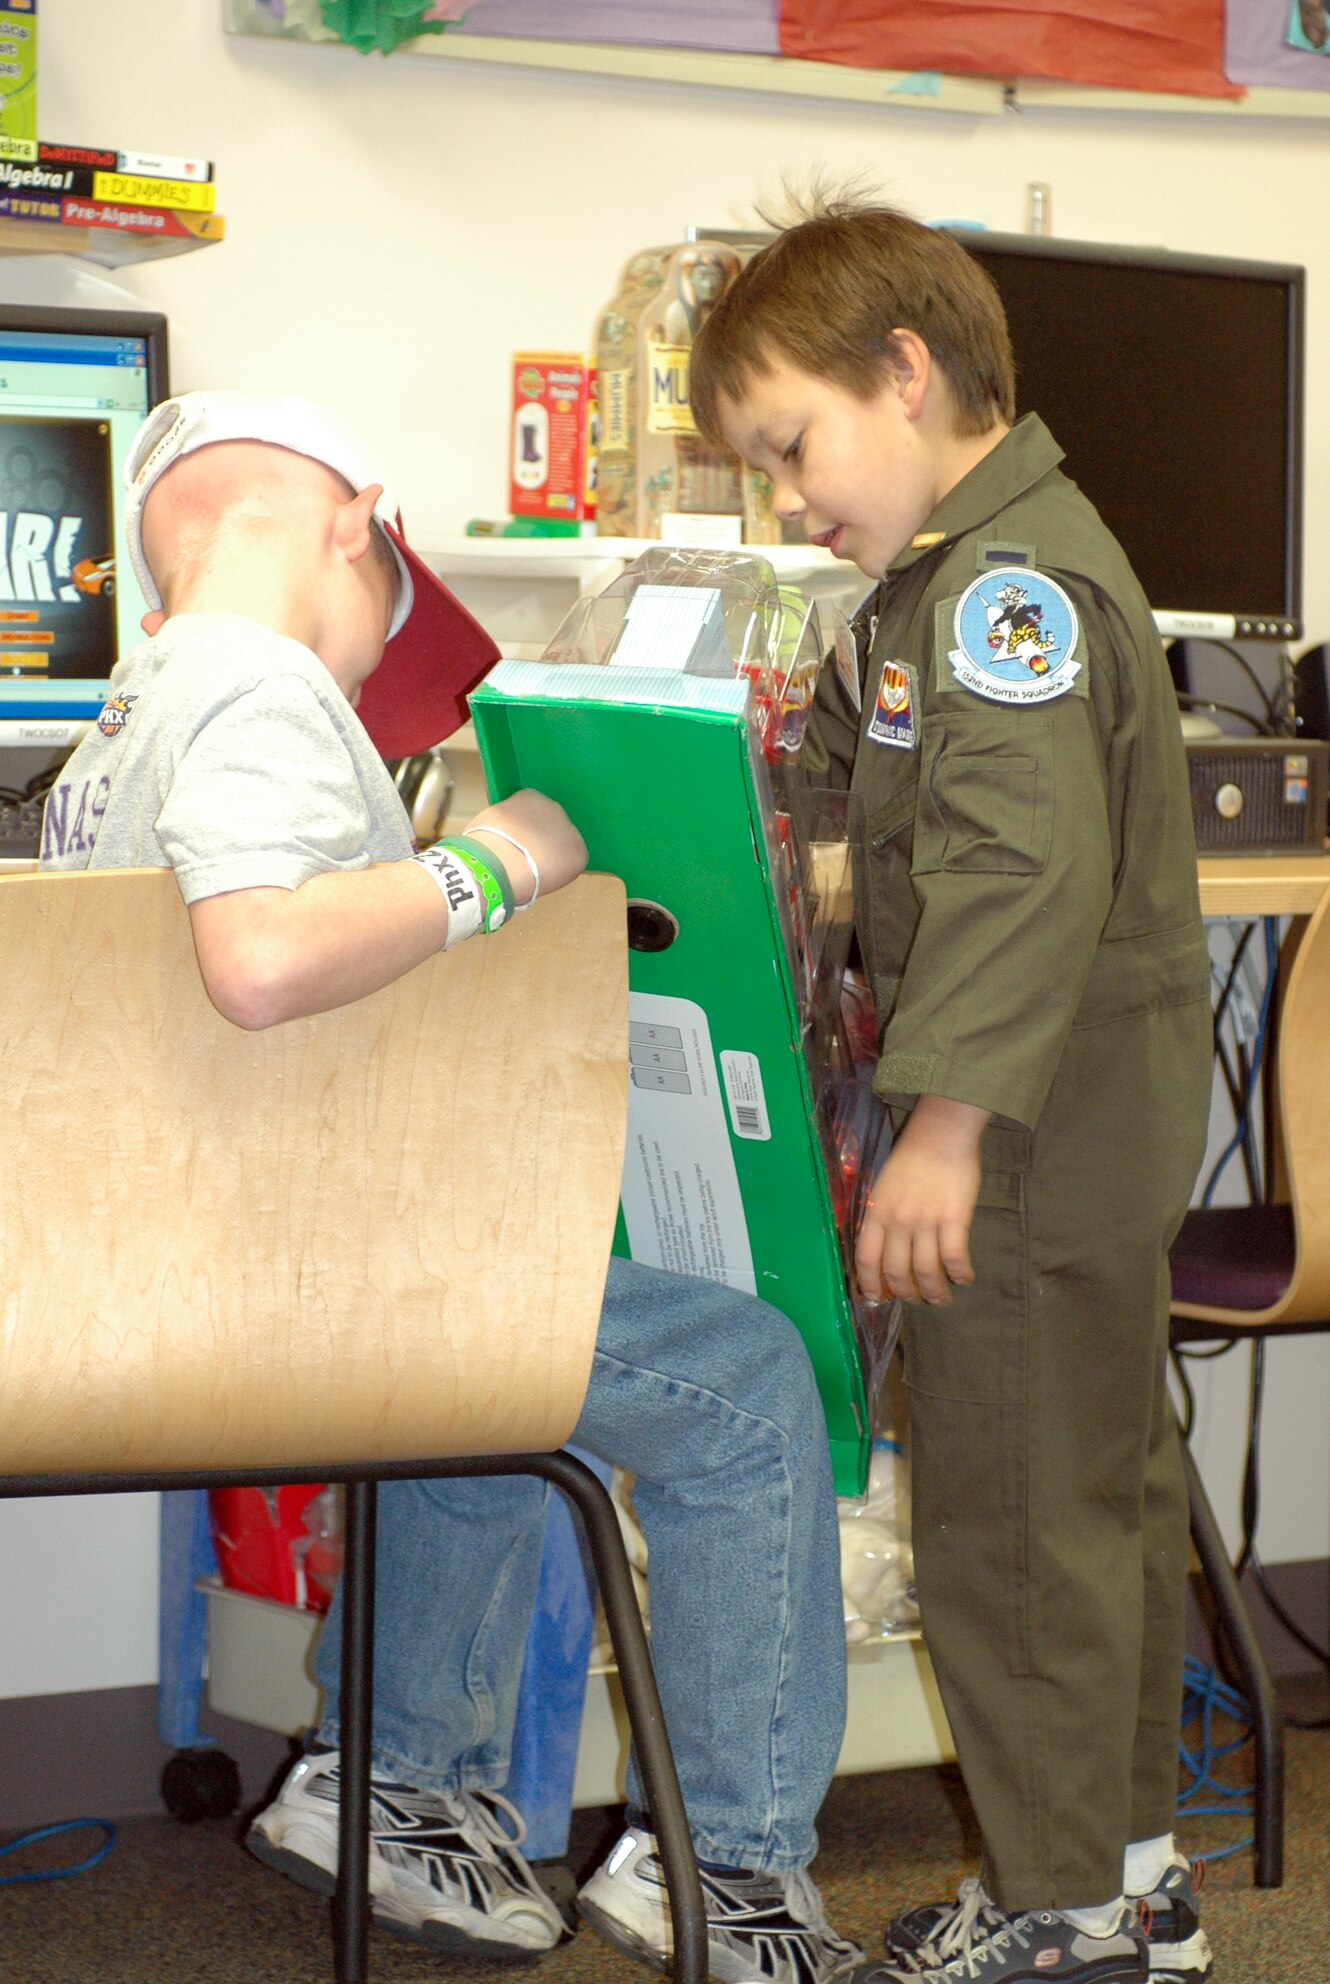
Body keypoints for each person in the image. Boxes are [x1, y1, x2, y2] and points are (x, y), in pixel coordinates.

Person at [40, 390, 861, 1984]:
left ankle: (396, 1784)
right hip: (282, 1289)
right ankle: (736, 1877)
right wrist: (503, 864)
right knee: (752, 1390)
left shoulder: (134, 708)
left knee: (494, 1330)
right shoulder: (264, 690)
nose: (359, 675)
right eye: (373, 644)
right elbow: (265, 960)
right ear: (353, 519)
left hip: (177, 1272)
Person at [690, 194, 1215, 1984]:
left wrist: (938, 1132)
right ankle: (1124, 1875)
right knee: (1086, 1502)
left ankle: (1065, 1914)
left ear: (902, 377)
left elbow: (1012, 876)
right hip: (1078, 1124)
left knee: (1005, 1521)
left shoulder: (1004, 599)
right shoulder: (949, 585)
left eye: (790, 445)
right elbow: (856, 752)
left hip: (1027, 1139)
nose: (784, 498)